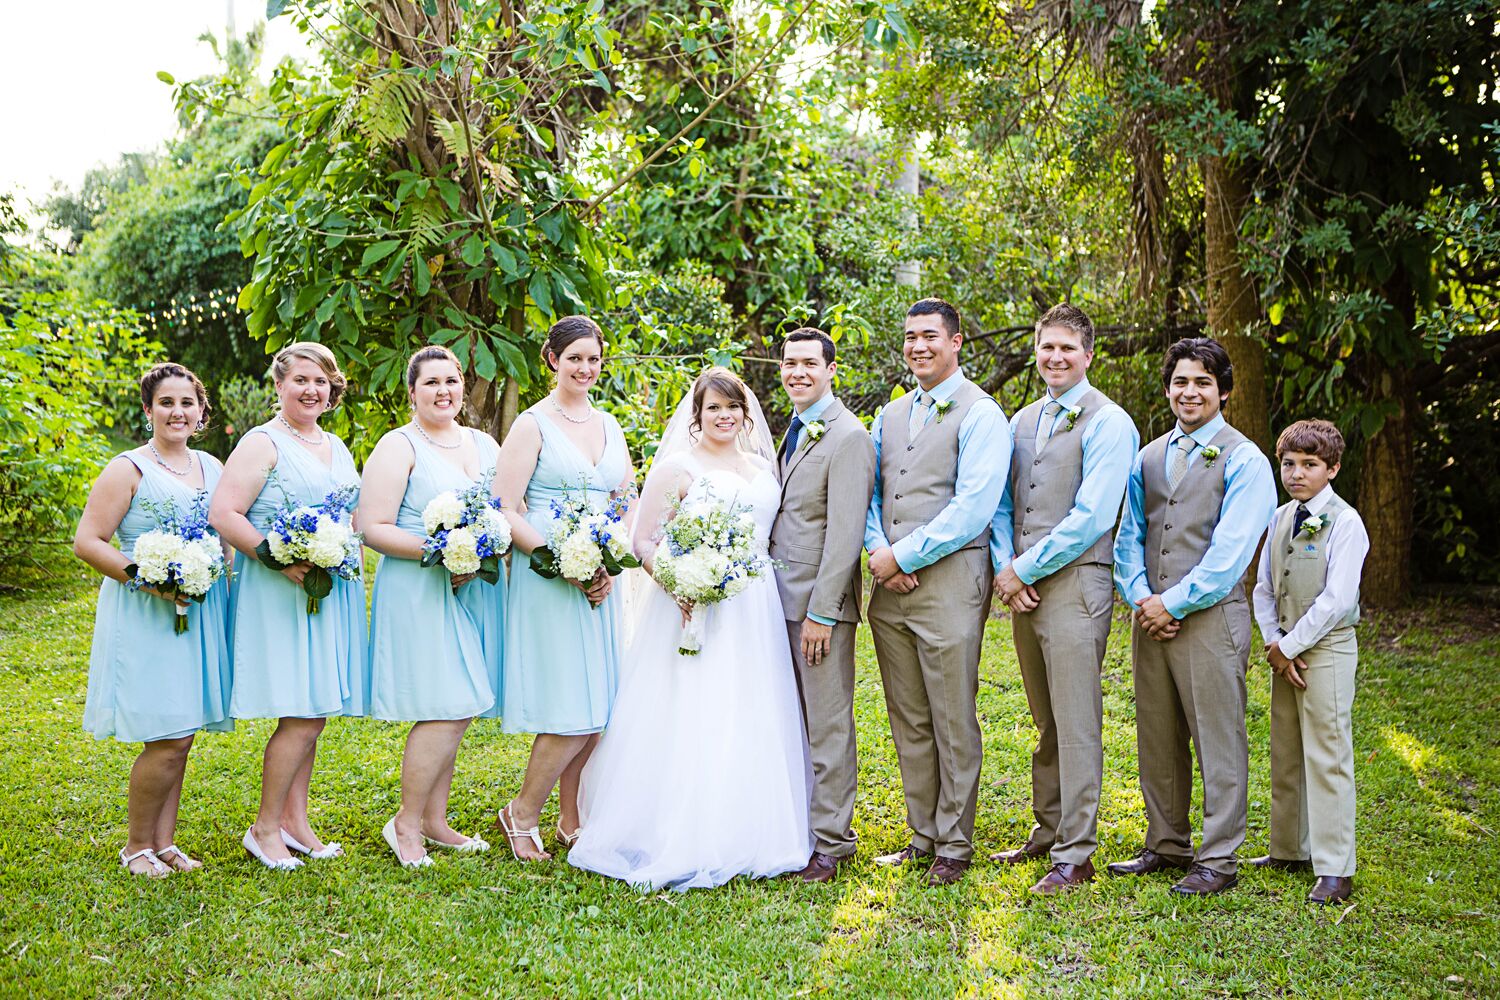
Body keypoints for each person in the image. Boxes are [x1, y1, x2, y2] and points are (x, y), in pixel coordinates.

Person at [567, 368, 812, 890]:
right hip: (692, 603)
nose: (724, 417)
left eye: (733, 408)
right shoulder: (679, 466)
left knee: (751, 706)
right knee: (694, 708)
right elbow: (644, 540)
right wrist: (679, 583)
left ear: (746, 414)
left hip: (755, 602)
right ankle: (678, 830)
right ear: (696, 416)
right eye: (713, 408)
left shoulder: (764, 465)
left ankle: (751, 827)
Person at [1111, 336, 1276, 895]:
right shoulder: (1148, 456)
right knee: (1157, 732)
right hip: (1149, 614)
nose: (1190, 391)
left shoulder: (1246, 459)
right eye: (1181, 381)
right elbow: (1129, 534)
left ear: (1223, 391)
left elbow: (1231, 553)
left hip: (1208, 619)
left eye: (1203, 382)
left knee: (1216, 735)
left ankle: (1220, 856)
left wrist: (1172, 603)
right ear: (1167, 388)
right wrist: (1139, 597)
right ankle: (1166, 843)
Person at [988, 304, 1138, 894]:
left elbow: (1093, 514)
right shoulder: (1021, 420)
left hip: (1077, 583)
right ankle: (1047, 830)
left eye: (1067, 349)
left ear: (1088, 355)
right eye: (1047, 347)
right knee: (1045, 717)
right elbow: (1003, 504)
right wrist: (1008, 567)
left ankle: (1076, 854)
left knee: (1077, 720)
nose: (1055, 357)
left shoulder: (1109, 422)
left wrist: (1022, 568)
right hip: (1023, 586)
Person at [865, 297, 1011, 887]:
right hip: (888, 586)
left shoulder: (982, 414)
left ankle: (955, 841)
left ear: (956, 342)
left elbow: (973, 506)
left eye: (929, 335)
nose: (917, 346)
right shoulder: (891, 414)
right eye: (909, 336)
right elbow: (873, 493)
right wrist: (879, 555)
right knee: (908, 714)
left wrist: (904, 555)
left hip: (949, 582)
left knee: (952, 715)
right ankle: (921, 834)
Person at [210, 342, 370, 870]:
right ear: (279, 384)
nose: (311, 390)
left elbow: (346, 514)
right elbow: (224, 511)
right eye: (300, 379)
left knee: (314, 709)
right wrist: (273, 557)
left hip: (327, 589)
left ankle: (295, 823)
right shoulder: (263, 443)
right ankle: (263, 828)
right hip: (279, 591)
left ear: (332, 389)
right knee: (299, 715)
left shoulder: (337, 446)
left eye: (321, 381)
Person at [73, 362, 233, 877]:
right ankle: (136, 845)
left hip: (198, 612)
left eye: (187, 402)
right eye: (166, 402)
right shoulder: (128, 468)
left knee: (181, 731)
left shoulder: (212, 466)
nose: (177, 411)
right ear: (148, 411)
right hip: (145, 610)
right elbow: (87, 541)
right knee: (165, 734)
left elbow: (226, 531)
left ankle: (165, 842)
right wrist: (148, 578)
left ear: (202, 411)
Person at [492, 316, 634, 860]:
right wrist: (559, 562)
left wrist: (609, 561)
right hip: (549, 576)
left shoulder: (610, 425)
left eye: (594, 358)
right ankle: (521, 813)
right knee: (572, 706)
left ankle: (570, 818)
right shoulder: (532, 425)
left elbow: (625, 499)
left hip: (599, 576)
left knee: (599, 706)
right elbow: (506, 508)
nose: (585, 368)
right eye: (575, 357)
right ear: (551, 360)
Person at [360, 346, 503, 868]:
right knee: (447, 702)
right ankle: (405, 823)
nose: (443, 391)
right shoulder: (399, 447)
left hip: (474, 587)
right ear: (412, 392)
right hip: (420, 585)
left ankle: (435, 821)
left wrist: (484, 547)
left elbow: (504, 510)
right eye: (431, 383)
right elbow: (371, 526)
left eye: (452, 380)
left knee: (461, 704)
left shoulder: (485, 444)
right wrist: (441, 551)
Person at [770, 328, 876, 883]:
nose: (798, 372)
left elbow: (844, 535)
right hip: (772, 603)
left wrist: (823, 612)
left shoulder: (848, 436)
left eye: (811, 363)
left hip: (815, 607)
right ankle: (795, 827)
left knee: (827, 723)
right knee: (790, 720)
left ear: (832, 370)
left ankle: (832, 841)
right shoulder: (786, 429)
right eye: (790, 363)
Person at [1249, 419, 1367, 905]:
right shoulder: (1280, 518)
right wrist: (1275, 642)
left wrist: (1291, 646)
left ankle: (1335, 867)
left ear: (1333, 468)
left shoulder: (1347, 521)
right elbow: (1261, 587)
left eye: (1310, 465)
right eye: (1289, 464)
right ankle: (1288, 848)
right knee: (1287, 749)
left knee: (1327, 752)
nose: (1297, 474)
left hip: (1326, 649)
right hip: (1285, 649)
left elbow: (1338, 599)